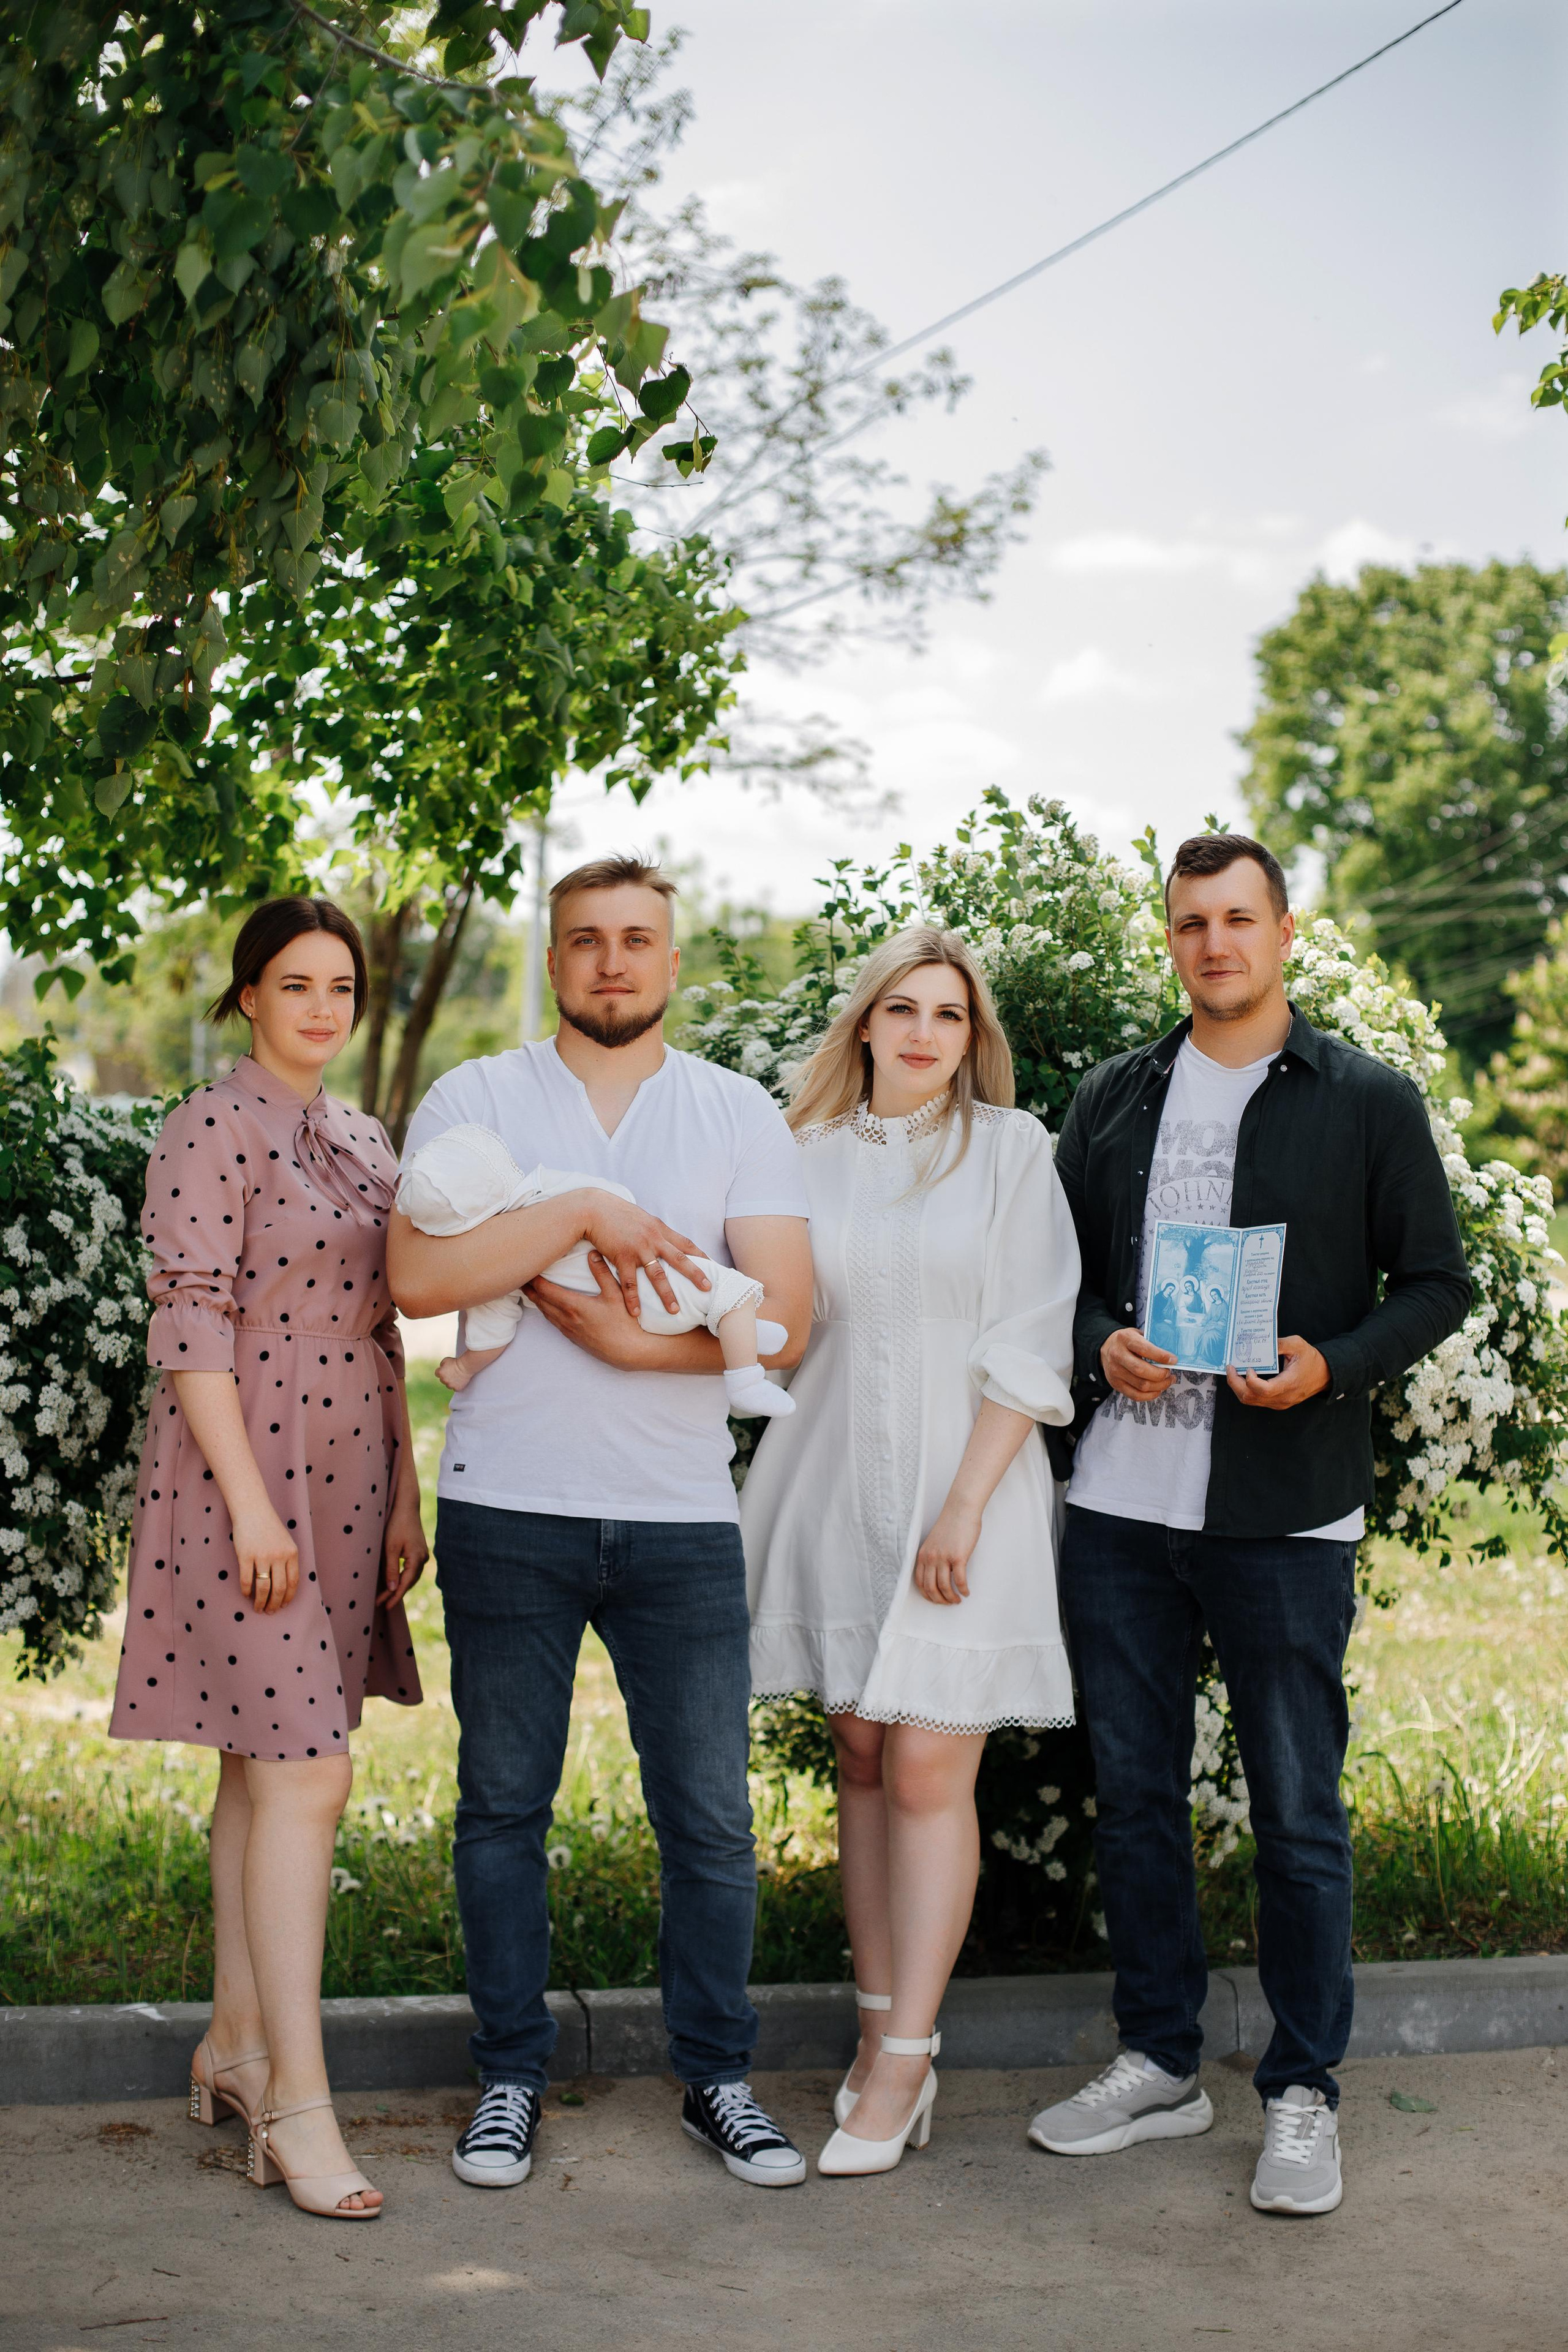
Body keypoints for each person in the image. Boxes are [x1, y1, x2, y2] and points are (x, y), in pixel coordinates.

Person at [1032, 833, 1470, 2216]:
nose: (1212, 942)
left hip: (1282, 1510)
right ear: (1166, 940)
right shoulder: (1111, 1096)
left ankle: (1300, 2089)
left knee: (1295, 1811)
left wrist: (1327, 1363)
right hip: (1116, 1506)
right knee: (1135, 1798)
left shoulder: (1364, 1099)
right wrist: (1099, 1338)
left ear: (1284, 929)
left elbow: (1436, 1282)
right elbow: (1048, 1278)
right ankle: (1159, 2058)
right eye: (1187, 923)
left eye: (1236, 918)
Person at [389, 854, 815, 2193]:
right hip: (507, 1508)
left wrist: (636, 1354)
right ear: (556, 958)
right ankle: (509, 2077)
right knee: (502, 1809)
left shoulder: (734, 1112)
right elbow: (414, 1275)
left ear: (673, 963)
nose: (613, 962)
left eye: (638, 940)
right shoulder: (477, 1098)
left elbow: (789, 1321)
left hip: (680, 1520)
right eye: (586, 941)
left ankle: (719, 2078)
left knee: (707, 1820)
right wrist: (571, 1210)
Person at [742, 928, 1079, 2179]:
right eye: (902, 1009)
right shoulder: (802, 1159)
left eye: (947, 1013)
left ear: (969, 1034)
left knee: (933, 1765)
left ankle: (903, 2061)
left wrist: (963, 1509)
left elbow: (1031, 1339)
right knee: (866, 1757)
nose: (925, 1032)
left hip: (966, 1499)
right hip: (831, 1489)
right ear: (866, 1027)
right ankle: (878, 2025)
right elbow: (768, 1329)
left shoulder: (1008, 1153)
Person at [110, 897, 428, 2223]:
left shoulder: (361, 1135)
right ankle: (297, 2102)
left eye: (340, 986)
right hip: (244, 1469)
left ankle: (235, 2041)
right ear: (248, 996)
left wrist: (404, 1484)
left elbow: (386, 1320)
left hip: (353, 1476)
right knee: (312, 1772)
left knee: (265, 1768)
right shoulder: (209, 1126)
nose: (319, 1006)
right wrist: (249, 1509)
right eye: (293, 983)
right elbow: (187, 1325)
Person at [397, 1123, 793, 1416]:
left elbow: (490, 1338)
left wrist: (464, 1367)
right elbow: (616, 1202)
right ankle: (745, 1381)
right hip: (655, 1284)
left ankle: (747, 1335)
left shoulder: (493, 1268)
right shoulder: (544, 1189)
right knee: (729, 1292)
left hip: (642, 1317)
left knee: (719, 1307)